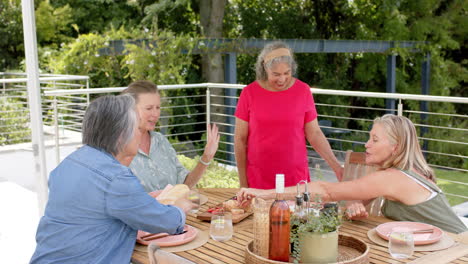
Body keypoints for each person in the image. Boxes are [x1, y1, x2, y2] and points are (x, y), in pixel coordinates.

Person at [30, 95, 194, 264]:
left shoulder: (68, 164)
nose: (140, 134)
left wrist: (145, 200)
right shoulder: (115, 178)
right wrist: (179, 208)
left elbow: (95, 210)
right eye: (137, 128)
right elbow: (168, 222)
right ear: (122, 136)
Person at [237, 114, 467, 234]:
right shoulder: (407, 172)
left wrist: (262, 193)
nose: (366, 145)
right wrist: (356, 206)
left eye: (375, 140)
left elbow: (326, 191)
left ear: (395, 148)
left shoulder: (393, 178)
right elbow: (355, 204)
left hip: (456, 251)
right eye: (369, 137)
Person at [234, 41, 343, 189]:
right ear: (264, 69)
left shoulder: (303, 91)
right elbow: (240, 140)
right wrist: (243, 183)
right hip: (258, 178)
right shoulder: (249, 93)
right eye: (276, 74)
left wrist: (337, 167)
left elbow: (315, 134)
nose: (282, 79)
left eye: (287, 73)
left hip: (295, 179)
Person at [122, 81, 220, 192]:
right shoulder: (117, 148)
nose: (155, 114)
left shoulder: (161, 141)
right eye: (149, 108)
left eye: (158, 107)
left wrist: (206, 157)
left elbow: (184, 185)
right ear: (131, 110)